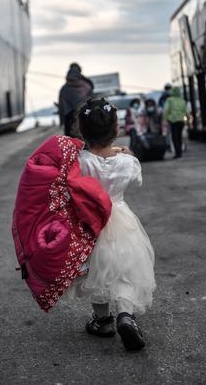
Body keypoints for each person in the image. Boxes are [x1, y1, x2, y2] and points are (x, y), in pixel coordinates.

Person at [64, 98, 156, 351]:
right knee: (124, 268)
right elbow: (135, 179)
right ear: (116, 130)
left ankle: (103, 320)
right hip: (120, 218)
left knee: (96, 270)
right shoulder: (127, 162)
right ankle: (126, 316)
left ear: (82, 131)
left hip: (89, 221)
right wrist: (127, 154)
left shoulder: (79, 162)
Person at [58, 63, 94, 137]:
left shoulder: (64, 89)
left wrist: (61, 121)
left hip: (69, 120)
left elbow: (61, 107)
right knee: (86, 140)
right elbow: (91, 100)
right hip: (85, 116)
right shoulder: (86, 85)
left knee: (71, 143)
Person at [163, 87, 187, 159]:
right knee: (179, 137)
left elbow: (166, 110)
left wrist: (165, 119)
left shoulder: (169, 100)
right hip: (181, 121)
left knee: (174, 137)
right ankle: (180, 152)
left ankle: (177, 153)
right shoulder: (182, 100)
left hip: (173, 121)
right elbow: (186, 111)